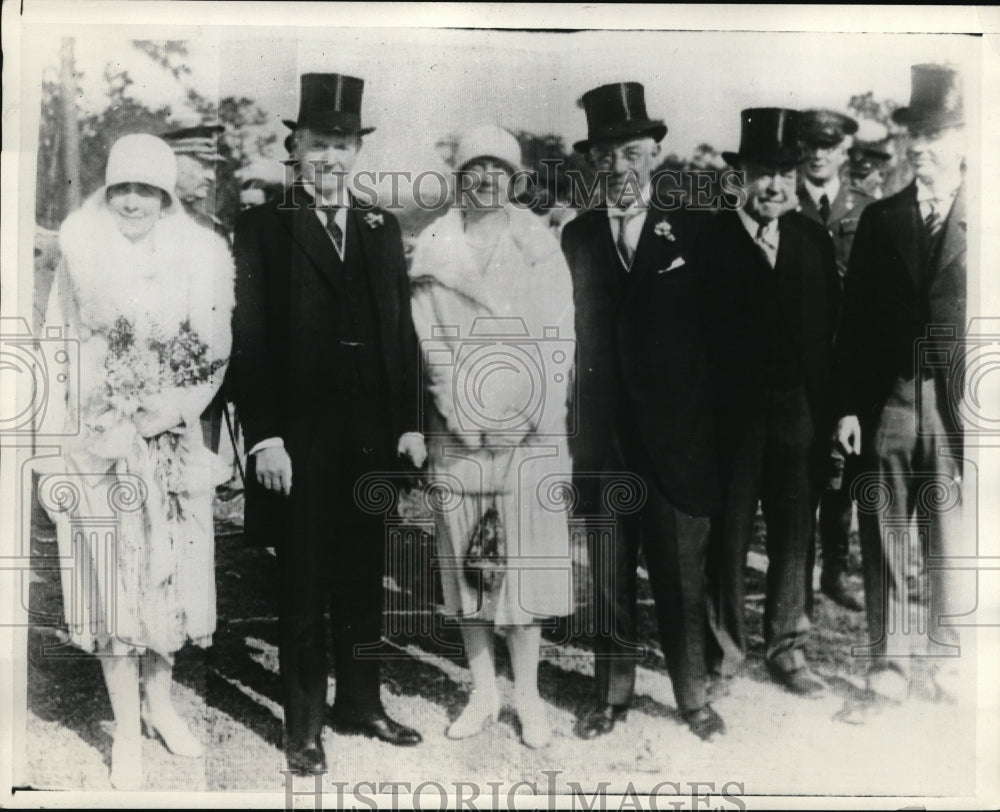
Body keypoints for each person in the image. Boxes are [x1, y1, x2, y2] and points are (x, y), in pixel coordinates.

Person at [230, 73, 426, 775]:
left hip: (372, 439)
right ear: (297, 147)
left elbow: (399, 334)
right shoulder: (263, 227)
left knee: (363, 575)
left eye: (343, 146)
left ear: (357, 151)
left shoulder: (380, 227)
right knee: (305, 582)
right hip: (300, 442)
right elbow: (247, 339)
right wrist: (267, 436)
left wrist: (408, 424)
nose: (331, 160)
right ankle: (304, 724)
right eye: (319, 145)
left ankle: (362, 703)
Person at [40, 133, 234, 789]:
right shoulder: (79, 256)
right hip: (98, 449)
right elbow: (54, 352)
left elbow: (214, 353)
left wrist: (173, 409)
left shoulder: (200, 258)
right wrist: (57, 445)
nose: (132, 201)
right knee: (110, 587)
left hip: (170, 446)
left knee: (169, 579)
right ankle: (125, 729)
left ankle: (160, 704)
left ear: (164, 197)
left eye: (145, 190)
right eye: (121, 188)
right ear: (106, 192)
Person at [562, 83, 724, 742]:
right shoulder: (575, 238)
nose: (621, 168)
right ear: (593, 163)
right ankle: (612, 694)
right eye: (607, 156)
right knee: (607, 576)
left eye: (632, 152)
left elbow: (726, 344)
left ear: (656, 153)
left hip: (679, 442)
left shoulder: (698, 228)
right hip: (603, 441)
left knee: (682, 579)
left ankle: (693, 697)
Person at [409, 125, 575, 749]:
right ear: (460, 177)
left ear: (515, 179)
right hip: (460, 432)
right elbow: (431, 345)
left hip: (530, 434)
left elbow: (560, 336)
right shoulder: (434, 247)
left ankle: (528, 697)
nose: (487, 180)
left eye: (499, 170)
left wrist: (527, 414)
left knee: (522, 568)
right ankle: (481, 691)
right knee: (469, 567)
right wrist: (468, 416)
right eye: (475, 169)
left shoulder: (540, 245)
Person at [834, 64, 969, 705]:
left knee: (949, 539)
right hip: (888, 398)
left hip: (956, 402)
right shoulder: (881, 218)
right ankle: (886, 662)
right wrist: (846, 408)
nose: (922, 146)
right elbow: (851, 324)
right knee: (883, 533)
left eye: (937, 134)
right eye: (915, 133)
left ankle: (944, 659)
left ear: (965, 140)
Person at [703, 109, 839, 698]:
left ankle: (787, 647)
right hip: (729, 425)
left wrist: (831, 418)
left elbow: (831, 338)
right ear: (742, 175)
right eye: (764, 173)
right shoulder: (708, 241)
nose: (776, 186)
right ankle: (723, 654)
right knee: (728, 542)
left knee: (793, 539)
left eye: (785, 173)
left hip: (797, 418)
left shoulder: (812, 240)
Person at [797, 109, 874, 613]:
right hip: (800, 361)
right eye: (811, 144)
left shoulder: (868, 210)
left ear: (846, 150)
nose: (820, 153)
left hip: (851, 358)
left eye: (830, 144)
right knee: (800, 472)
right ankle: (795, 578)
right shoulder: (782, 202)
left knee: (848, 471)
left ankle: (835, 569)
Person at [161, 123, 229, 238]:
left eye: (212, 167)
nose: (211, 176)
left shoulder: (213, 229)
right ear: (171, 164)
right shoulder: (142, 223)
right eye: (202, 165)